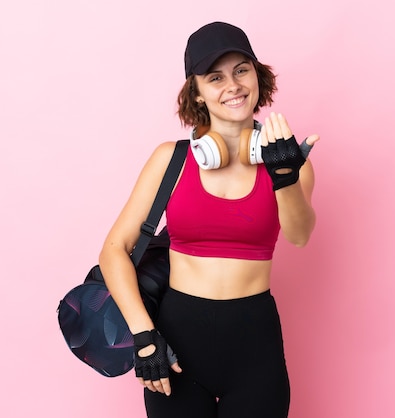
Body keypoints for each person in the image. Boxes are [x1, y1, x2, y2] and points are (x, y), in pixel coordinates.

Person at [99, 21, 319, 418]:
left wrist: (285, 177)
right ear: (197, 93)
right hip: (178, 344)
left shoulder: (289, 163)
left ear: (257, 76)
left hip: (255, 346)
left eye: (241, 70)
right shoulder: (171, 159)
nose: (232, 85)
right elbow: (114, 250)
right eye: (215, 77)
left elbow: (300, 236)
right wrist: (144, 337)